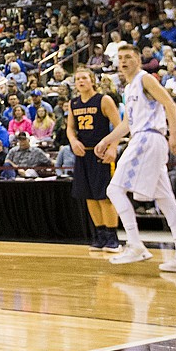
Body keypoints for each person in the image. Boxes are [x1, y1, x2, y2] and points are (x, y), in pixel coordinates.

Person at [96, 44, 176, 273]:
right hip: (146, 139)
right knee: (165, 200)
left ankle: (135, 244)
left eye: (129, 57)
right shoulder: (128, 88)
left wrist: (174, 134)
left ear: (138, 60)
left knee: (114, 189)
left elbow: (169, 103)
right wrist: (107, 140)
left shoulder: (144, 79)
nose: (123, 61)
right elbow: (127, 124)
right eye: (120, 57)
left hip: (148, 139)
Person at [67, 68, 124, 253]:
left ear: (92, 81)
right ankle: (99, 236)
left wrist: (113, 148)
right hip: (83, 154)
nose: (81, 81)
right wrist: (74, 141)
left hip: (102, 154)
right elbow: (70, 128)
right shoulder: (73, 103)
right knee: (89, 197)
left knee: (104, 197)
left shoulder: (103, 100)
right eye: (77, 79)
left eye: (84, 78)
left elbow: (120, 126)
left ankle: (112, 237)